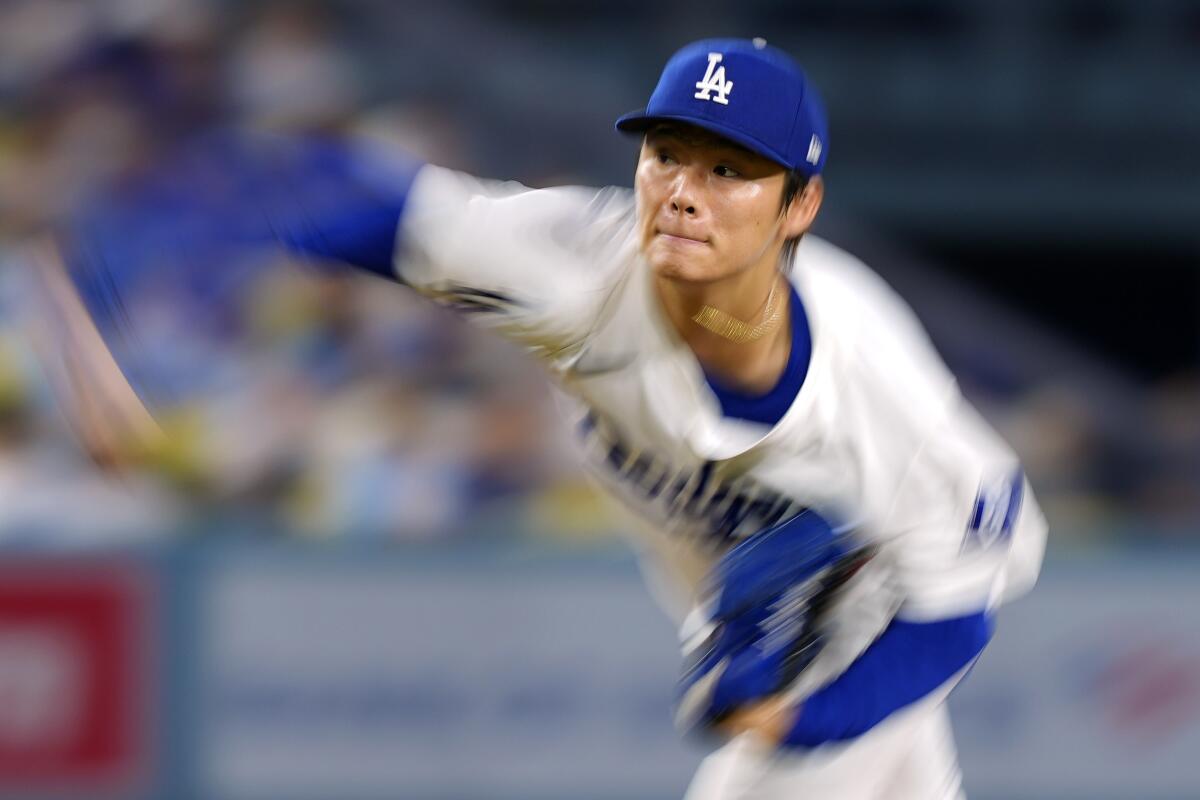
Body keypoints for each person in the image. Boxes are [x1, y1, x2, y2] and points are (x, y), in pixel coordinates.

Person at [41, 38, 1046, 799]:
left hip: (860, 607)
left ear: (799, 206)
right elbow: (367, 202)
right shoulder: (576, 261)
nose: (685, 194)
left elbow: (951, 607)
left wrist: (803, 715)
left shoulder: (878, 393)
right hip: (750, 604)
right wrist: (133, 250)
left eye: (730, 170)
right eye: (668, 155)